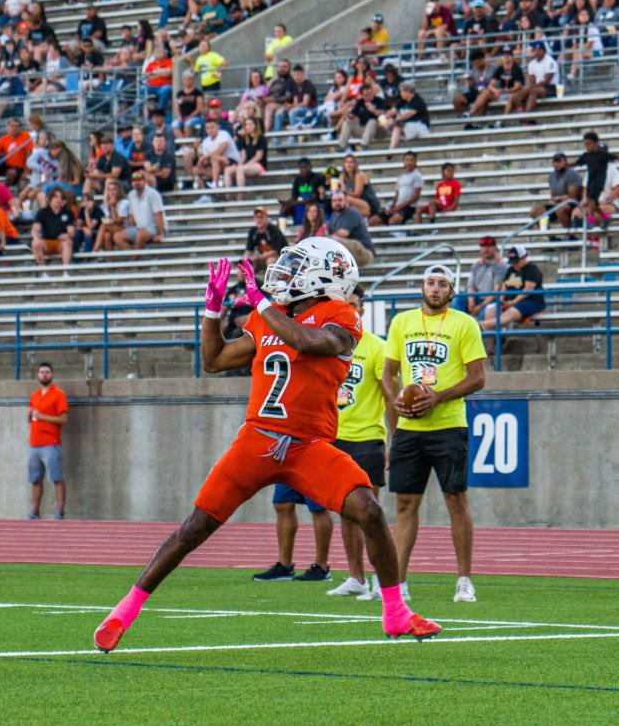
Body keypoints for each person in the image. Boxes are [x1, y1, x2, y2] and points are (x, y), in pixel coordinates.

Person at [94, 241, 442, 652]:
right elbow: (216, 359)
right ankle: (123, 612)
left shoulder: (339, 314)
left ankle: (396, 613)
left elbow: (312, 344)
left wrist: (262, 308)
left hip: (309, 446)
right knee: (195, 527)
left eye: (297, 267)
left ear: (324, 275)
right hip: (257, 440)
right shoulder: (269, 318)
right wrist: (212, 311)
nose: (284, 273)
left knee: (368, 509)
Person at [381, 264, 486, 603]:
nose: (436, 289)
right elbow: (388, 373)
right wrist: (395, 400)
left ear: (451, 292)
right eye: (430, 282)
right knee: (404, 504)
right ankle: (399, 582)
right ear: (422, 288)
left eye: (442, 284)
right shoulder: (402, 322)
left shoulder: (464, 324)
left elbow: (478, 378)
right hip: (410, 428)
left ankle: (464, 580)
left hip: (448, 425)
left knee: (456, 500)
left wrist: (437, 396)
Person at [327, 285, 395, 598]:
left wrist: (393, 440)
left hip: (368, 437)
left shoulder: (377, 348)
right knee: (344, 511)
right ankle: (356, 577)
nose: (349, 309)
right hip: (335, 437)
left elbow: (390, 397)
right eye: (345, 304)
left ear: (362, 311)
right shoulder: (329, 344)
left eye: (354, 305)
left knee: (370, 513)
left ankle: (383, 580)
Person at [479, 246, 546, 342]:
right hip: (511, 301)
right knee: (490, 311)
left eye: (516, 261)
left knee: (511, 312)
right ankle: (492, 346)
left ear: (524, 258)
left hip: (530, 301)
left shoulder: (532, 269)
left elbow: (528, 290)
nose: (514, 264)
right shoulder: (511, 270)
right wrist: (501, 299)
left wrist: (513, 302)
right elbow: (504, 286)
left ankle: (482, 324)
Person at [28, 361, 68, 520]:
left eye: (47, 372)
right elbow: (32, 419)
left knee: (56, 478)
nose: (44, 375)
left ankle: (59, 511)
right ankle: (35, 511)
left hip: (51, 443)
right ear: (38, 375)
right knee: (35, 479)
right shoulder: (34, 395)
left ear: (52, 375)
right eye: (41, 372)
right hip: (34, 444)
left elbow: (64, 418)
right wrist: (30, 415)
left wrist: (42, 416)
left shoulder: (58, 394)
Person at [113, 172, 165, 251]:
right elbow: (131, 215)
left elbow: (159, 214)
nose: (136, 183)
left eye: (139, 180)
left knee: (141, 234)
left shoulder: (153, 194)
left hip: (153, 227)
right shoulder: (131, 195)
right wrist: (131, 228)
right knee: (117, 237)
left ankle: (134, 261)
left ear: (144, 181)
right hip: (139, 227)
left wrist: (160, 234)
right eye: (134, 181)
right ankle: (133, 258)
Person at [530, 152, 581, 229]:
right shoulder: (552, 176)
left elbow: (572, 197)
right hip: (557, 204)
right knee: (534, 211)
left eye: (559, 161)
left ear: (565, 162)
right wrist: (553, 200)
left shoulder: (572, 174)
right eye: (555, 162)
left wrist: (558, 198)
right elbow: (552, 194)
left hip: (572, 204)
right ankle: (551, 237)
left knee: (560, 209)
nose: (557, 164)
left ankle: (571, 235)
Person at [372, 151, 423, 226]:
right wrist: (391, 207)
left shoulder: (417, 176)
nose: (409, 162)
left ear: (415, 162)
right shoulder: (401, 177)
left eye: (411, 160)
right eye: (407, 160)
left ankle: (400, 234)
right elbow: (396, 195)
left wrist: (398, 207)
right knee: (373, 220)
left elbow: (415, 197)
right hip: (398, 205)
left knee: (393, 221)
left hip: (409, 207)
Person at [463, 236, 508, 321]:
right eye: (483, 246)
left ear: (495, 248)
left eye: (489, 246)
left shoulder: (500, 264)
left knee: (483, 314)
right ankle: (458, 328)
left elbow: (496, 290)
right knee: (458, 300)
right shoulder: (476, 265)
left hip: (492, 301)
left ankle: (479, 331)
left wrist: (480, 307)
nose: (486, 249)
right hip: (478, 298)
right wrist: (471, 302)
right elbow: (471, 286)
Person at [32, 188, 75, 275]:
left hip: (60, 242)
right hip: (46, 242)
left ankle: (66, 272)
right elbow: (35, 229)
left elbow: (71, 231)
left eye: (60, 198)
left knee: (68, 242)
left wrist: (68, 235)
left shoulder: (67, 213)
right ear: (50, 199)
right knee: (35, 243)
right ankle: (43, 273)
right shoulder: (42, 212)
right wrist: (36, 238)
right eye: (56, 197)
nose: (58, 199)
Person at [328, 189, 375, 267]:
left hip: (364, 253)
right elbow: (327, 232)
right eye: (334, 201)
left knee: (336, 240)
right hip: (349, 253)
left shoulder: (351, 213)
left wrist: (327, 237)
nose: (337, 203)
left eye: (340, 200)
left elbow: (342, 234)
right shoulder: (334, 215)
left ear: (346, 201)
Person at [379, 82, 430, 150]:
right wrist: (383, 119)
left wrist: (395, 120)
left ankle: (391, 150)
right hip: (407, 126)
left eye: (402, 92)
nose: (400, 94)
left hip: (419, 126)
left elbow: (406, 116)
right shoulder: (402, 101)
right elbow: (392, 111)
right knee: (387, 122)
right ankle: (393, 147)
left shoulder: (417, 101)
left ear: (408, 92)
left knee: (397, 126)